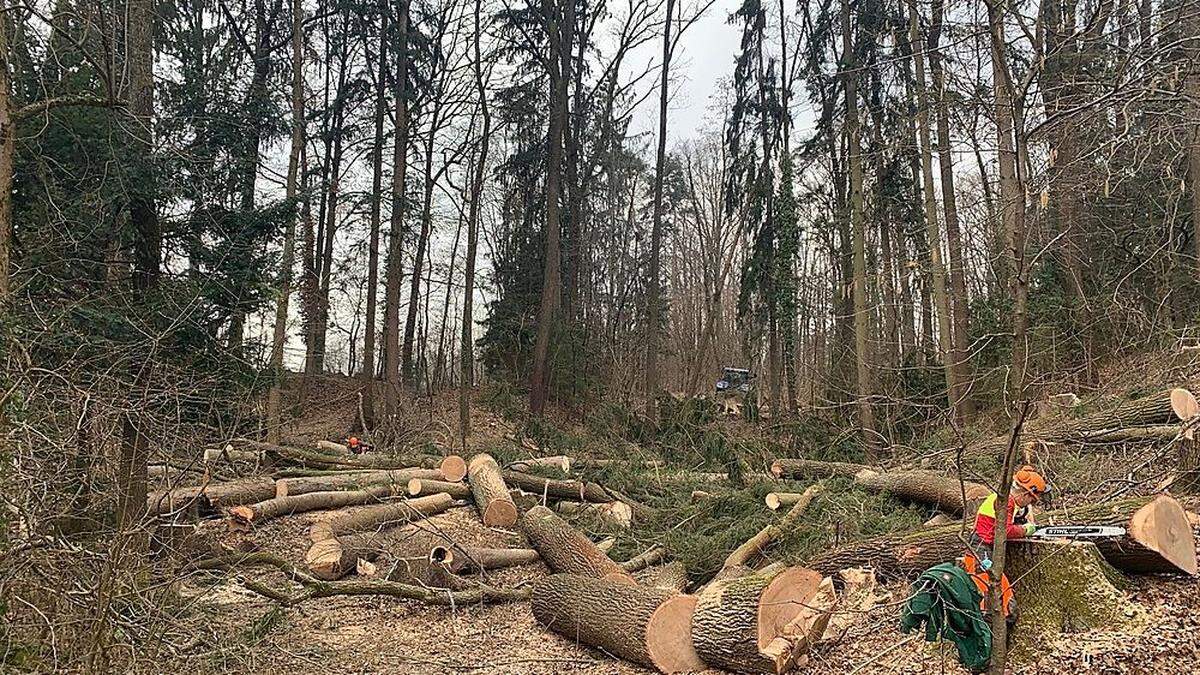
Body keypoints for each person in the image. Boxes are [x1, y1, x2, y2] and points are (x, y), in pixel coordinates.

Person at [962, 466, 1049, 618]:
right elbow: (1005, 530)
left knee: (995, 591)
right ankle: (998, 617)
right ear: (1025, 494)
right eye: (1031, 500)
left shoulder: (1006, 499)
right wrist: (1025, 530)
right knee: (991, 592)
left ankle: (1000, 617)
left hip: (986, 547)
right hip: (981, 548)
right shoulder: (1006, 502)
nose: (1030, 503)